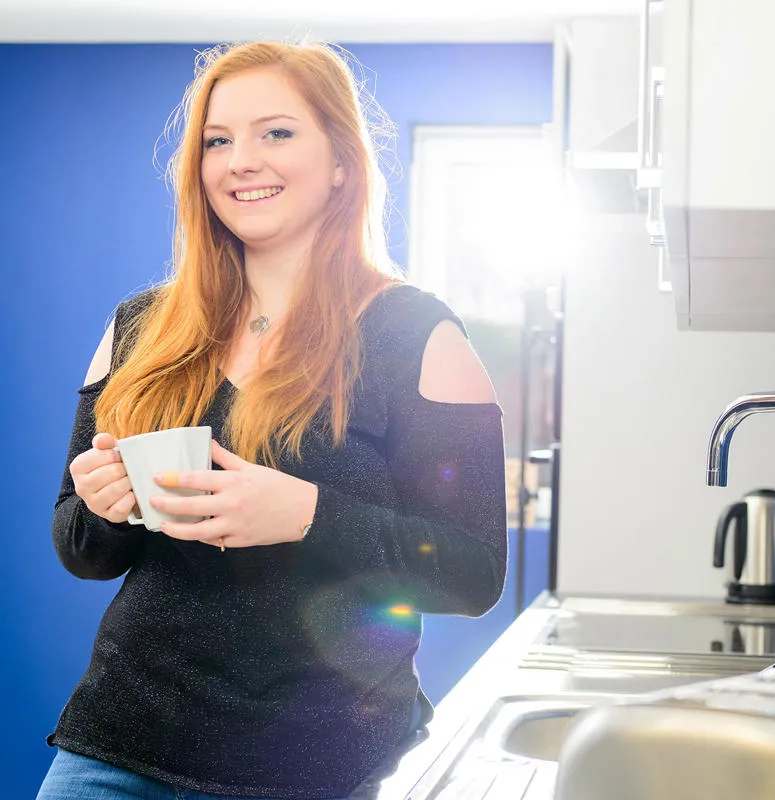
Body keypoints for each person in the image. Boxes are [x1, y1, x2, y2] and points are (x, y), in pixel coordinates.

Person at [37, 40, 507, 800]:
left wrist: (306, 515)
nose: (240, 160)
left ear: (343, 163)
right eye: (218, 141)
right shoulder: (139, 328)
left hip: (329, 766)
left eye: (276, 133)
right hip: (118, 754)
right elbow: (82, 550)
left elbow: (472, 575)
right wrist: (104, 506)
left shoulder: (418, 337)